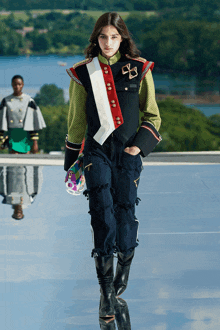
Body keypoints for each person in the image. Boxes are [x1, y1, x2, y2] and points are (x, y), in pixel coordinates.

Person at [64, 12, 161, 319]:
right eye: (103, 37)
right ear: (97, 39)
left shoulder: (139, 69)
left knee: (125, 209)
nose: (108, 43)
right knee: (102, 212)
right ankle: (106, 292)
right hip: (96, 153)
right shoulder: (82, 73)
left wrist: (138, 147)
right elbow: (77, 121)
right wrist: (71, 164)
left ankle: (126, 261)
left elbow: (153, 116)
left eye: (114, 37)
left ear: (122, 38)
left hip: (128, 152)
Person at [0, 75, 46, 154]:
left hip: (25, 136)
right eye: (15, 84)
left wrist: (35, 142)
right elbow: (1, 122)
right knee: (13, 161)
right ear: (12, 85)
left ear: (23, 85)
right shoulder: (6, 101)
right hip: (12, 135)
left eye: (19, 84)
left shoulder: (29, 100)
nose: (17, 86)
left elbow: (33, 123)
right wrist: (1, 139)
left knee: (26, 161)